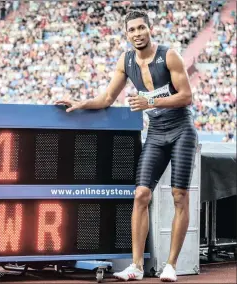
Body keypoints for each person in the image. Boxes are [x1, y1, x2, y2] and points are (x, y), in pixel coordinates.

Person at [55, 10, 197, 282]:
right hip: (156, 133)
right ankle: (136, 266)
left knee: (180, 196)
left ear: (150, 29)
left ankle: (170, 265)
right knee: (140, 194)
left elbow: (186, 96)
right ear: (127, 34)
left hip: (181, 131)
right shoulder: (126, 61)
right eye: (132, 30)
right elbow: (108, 97)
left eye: (141, 28)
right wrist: (81, 103)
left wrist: (150, 103)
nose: (137, 33)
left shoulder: (169, 56)